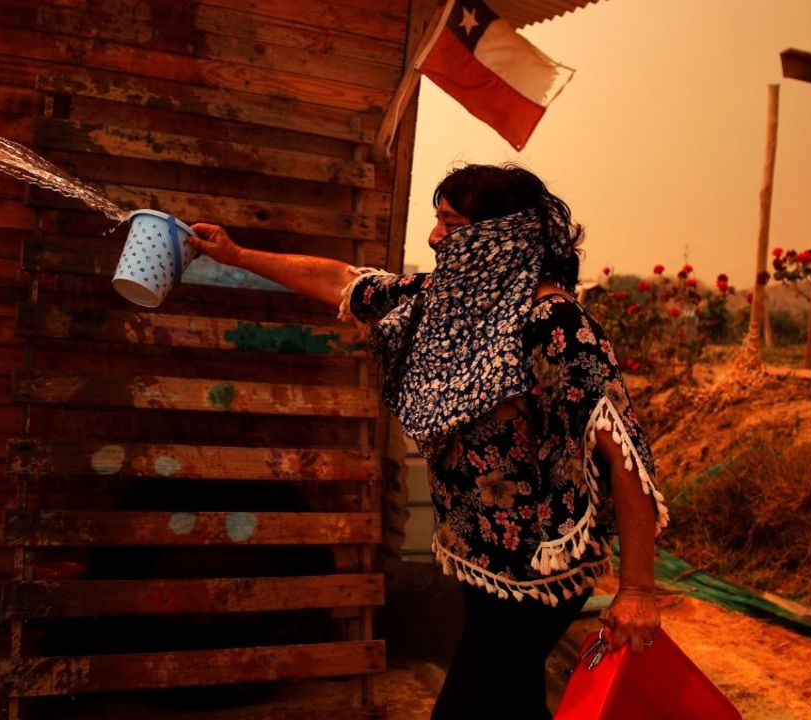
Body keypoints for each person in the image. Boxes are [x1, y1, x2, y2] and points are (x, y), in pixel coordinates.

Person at [189, 163, 667, 720]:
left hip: (542, 568)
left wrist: (637, 590)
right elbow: (343, 281)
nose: (435, 237)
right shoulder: (444, 303)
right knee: (510, 700)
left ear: (496, 237)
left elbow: (624, 455)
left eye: (450, 222)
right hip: (483, 557)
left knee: (470, 702)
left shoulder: (554, 323)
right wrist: (237, 254)